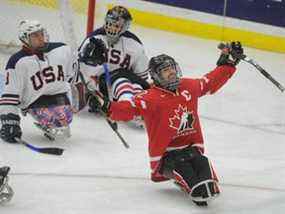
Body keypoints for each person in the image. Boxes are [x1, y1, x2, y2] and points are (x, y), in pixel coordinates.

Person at [88, 42, 244, 206]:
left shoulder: (188, 87)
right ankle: (180, 177)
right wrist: (108, 106)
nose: (170, 73)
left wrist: (228, 63)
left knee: (208, 181)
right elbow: (128, 108)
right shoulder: (149, 97)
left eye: (171, 68)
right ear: (155, 76)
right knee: (198, 189)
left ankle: (187, 177)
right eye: (165, 71)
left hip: (192, 149)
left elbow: (209, 82)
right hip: (167, 156)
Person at [0, 20, 77, 142]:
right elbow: (10, 94)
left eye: (41, 33)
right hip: (35, 101)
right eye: (35, 35)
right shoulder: (18, 62)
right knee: (54, 119)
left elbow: (73, 74)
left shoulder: (62, 50)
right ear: (25, 38)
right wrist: (10, 121)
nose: (41, 38)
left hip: (59, 96)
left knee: (65, 118)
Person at [77, 5, 149, 127]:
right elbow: (81, 72)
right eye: (110, 24)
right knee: (121, 79)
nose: (111, 28)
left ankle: (140, 109)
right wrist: (91, 93)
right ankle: (128, 109)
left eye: (116, 25)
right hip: (102, 86)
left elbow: (141, 77)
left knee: (135, 84)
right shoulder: (94, 39)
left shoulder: (134, 44)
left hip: (122, 86)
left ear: (125, 26)